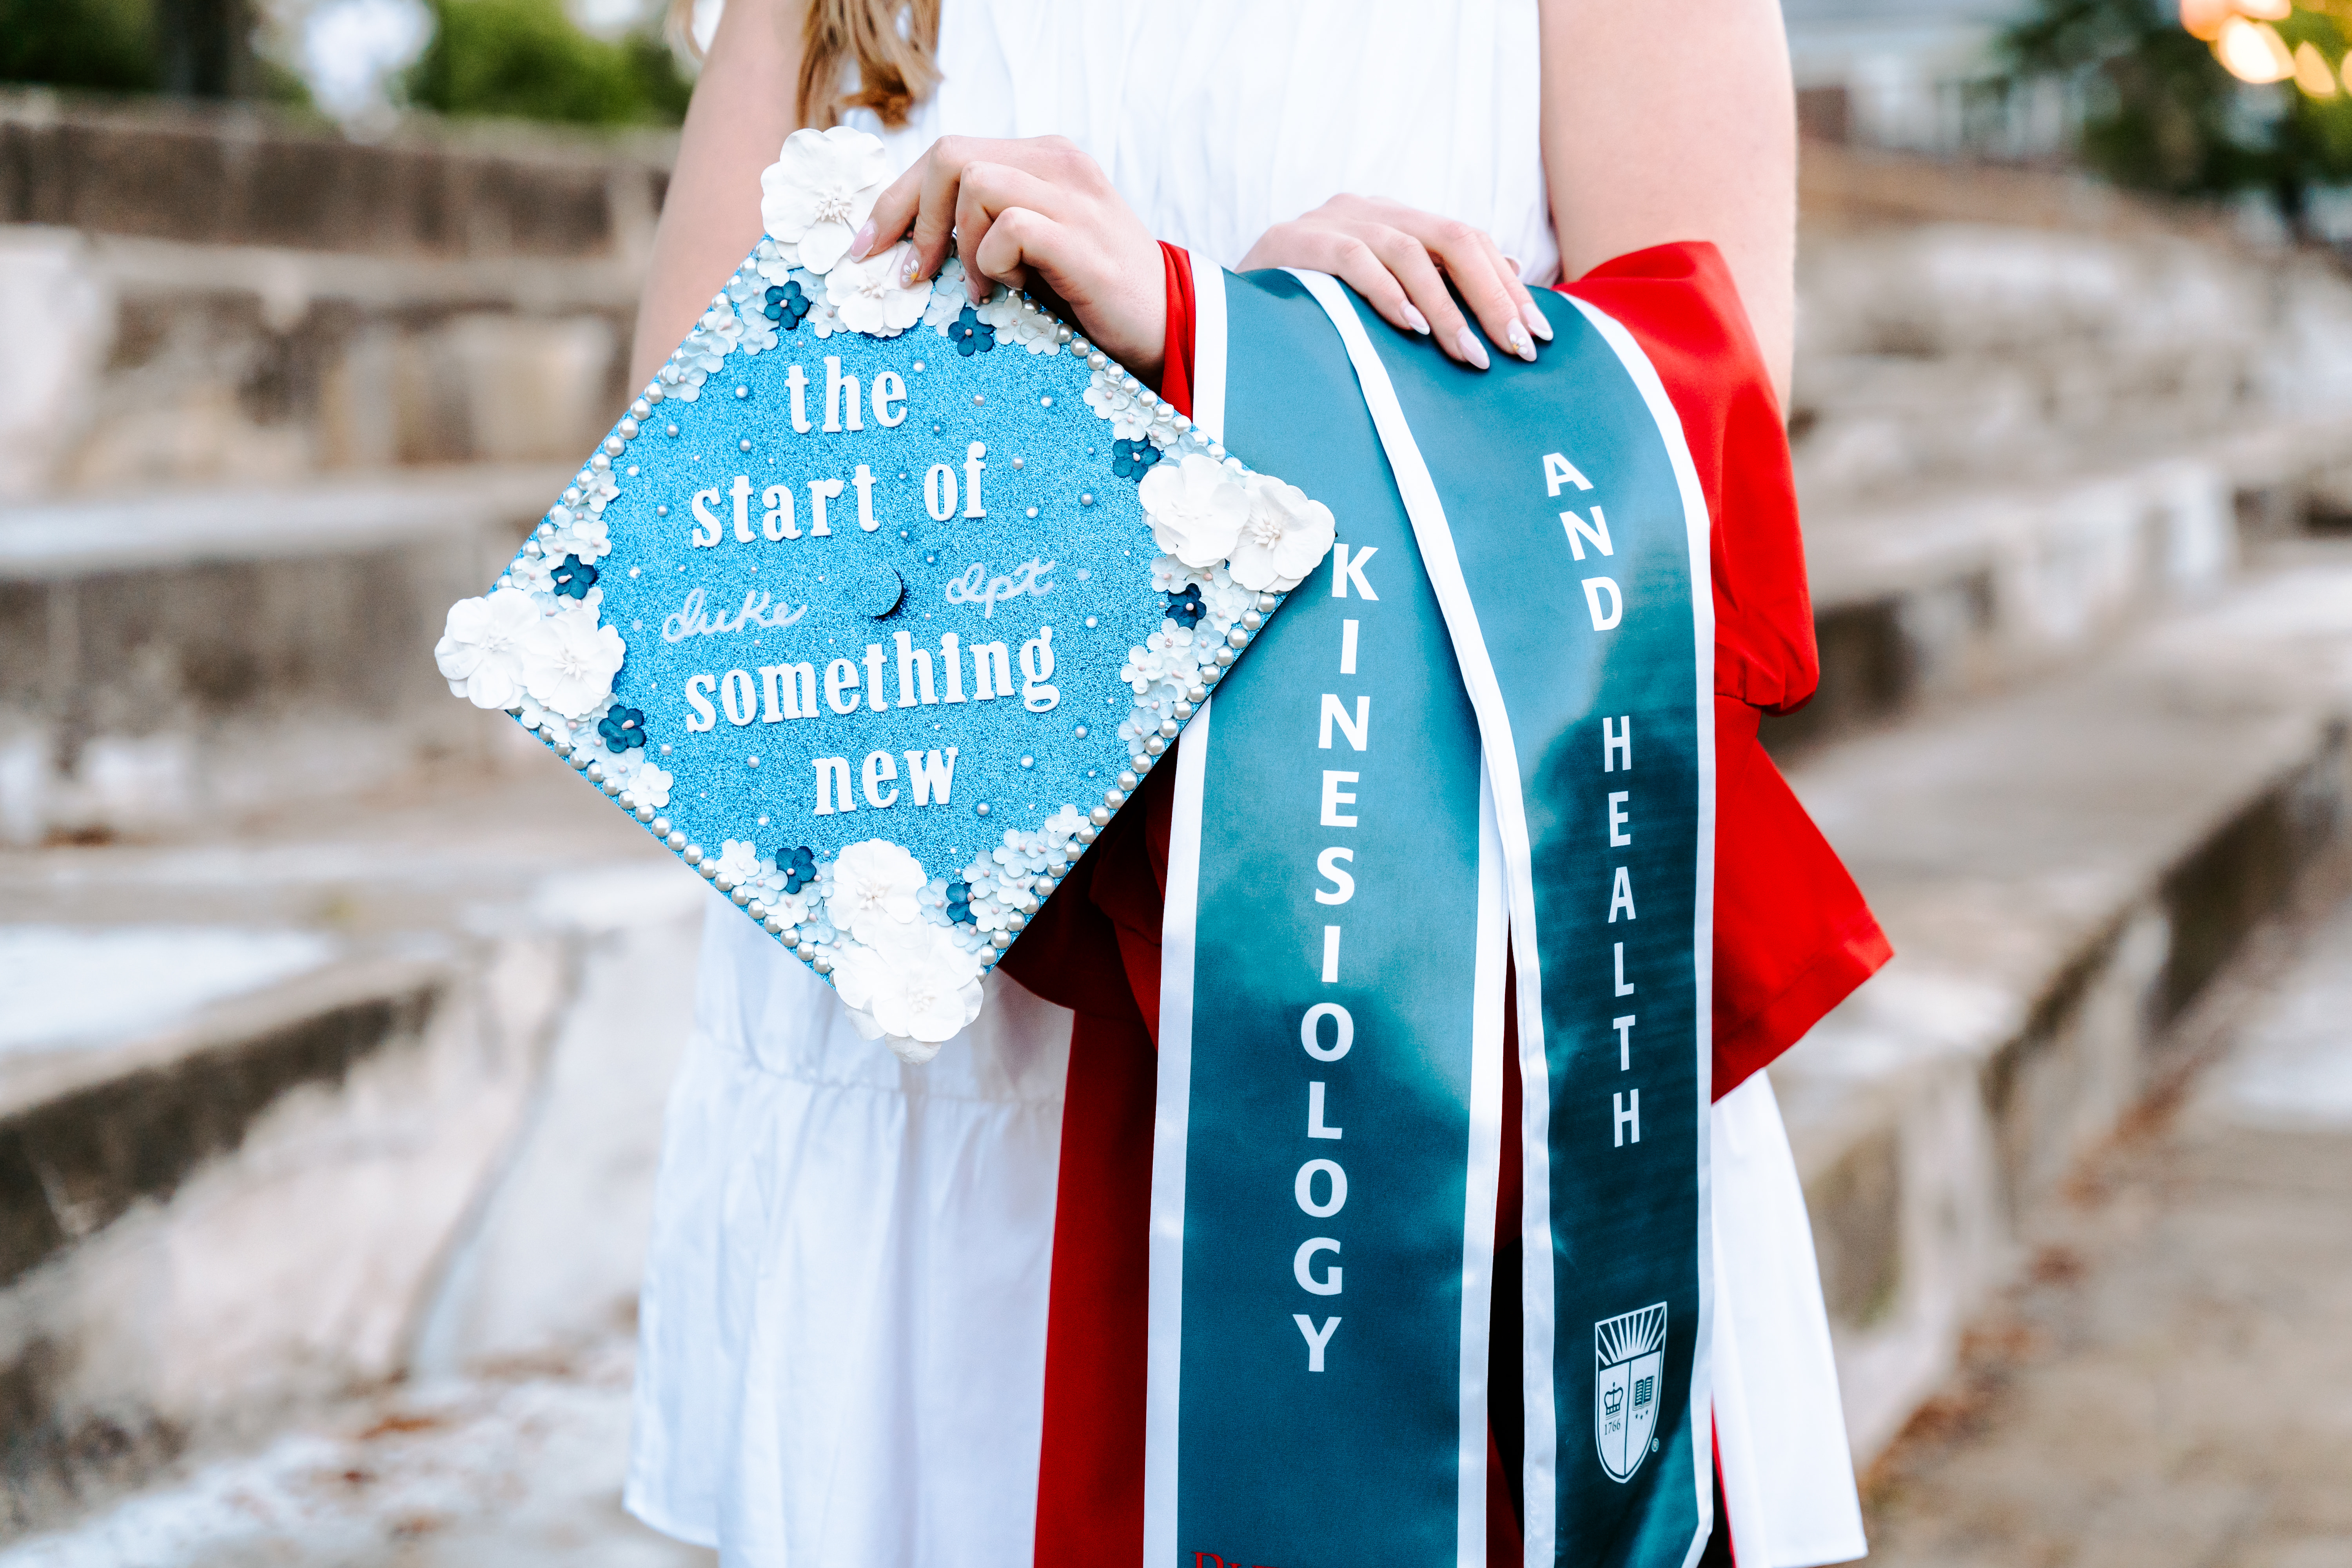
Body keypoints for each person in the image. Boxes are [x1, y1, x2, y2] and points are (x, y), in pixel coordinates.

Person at [622, 4, 1893, 1565]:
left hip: (1396, 1023)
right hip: (948, 1050)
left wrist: (1252, 345)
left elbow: (1685, 483)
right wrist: (1121, 375)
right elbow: (685, 546)